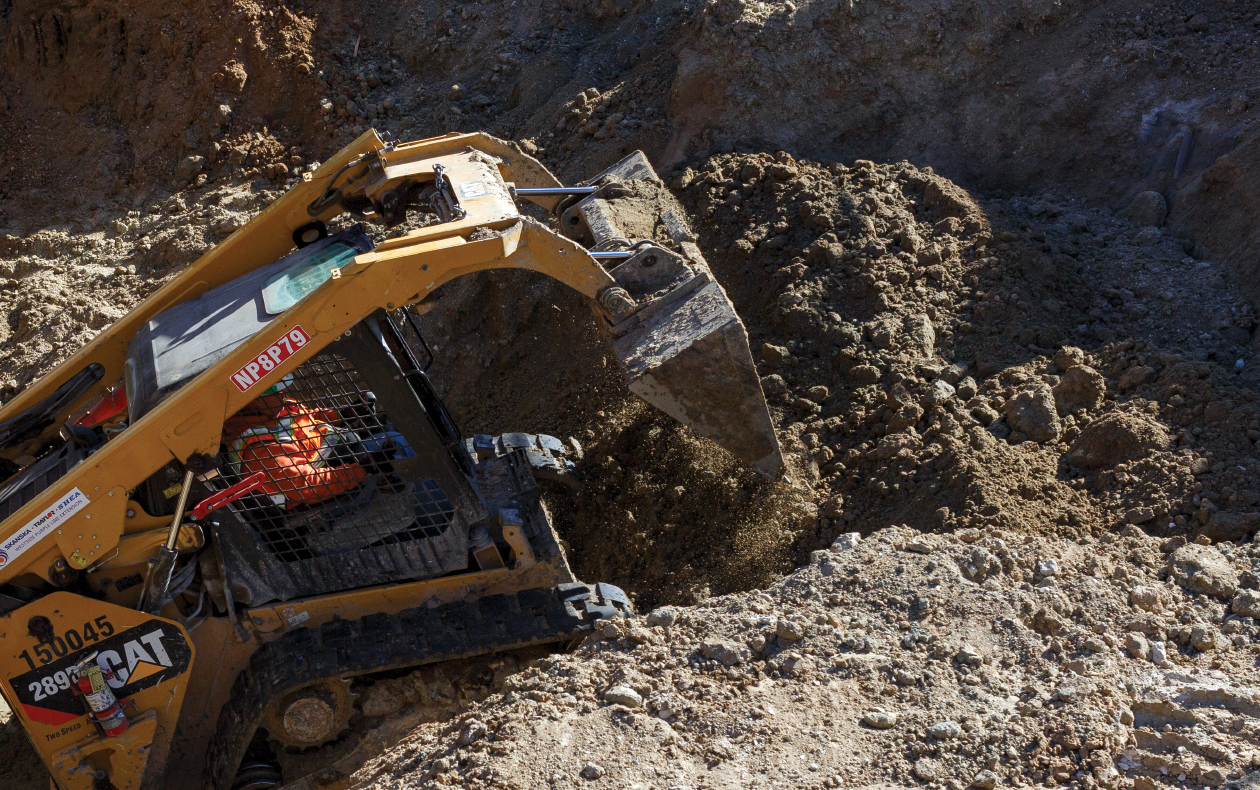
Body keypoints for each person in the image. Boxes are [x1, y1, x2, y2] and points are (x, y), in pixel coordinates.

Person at [223, 376, 367, 509]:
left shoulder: (278, 408)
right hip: (336, 484)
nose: (283, 391)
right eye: (276, 389)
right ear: (254, 398)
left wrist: (344, 414)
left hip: (347, 452)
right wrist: (364, 469)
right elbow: (308, 486)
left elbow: (309, 417)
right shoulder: (258, 450)